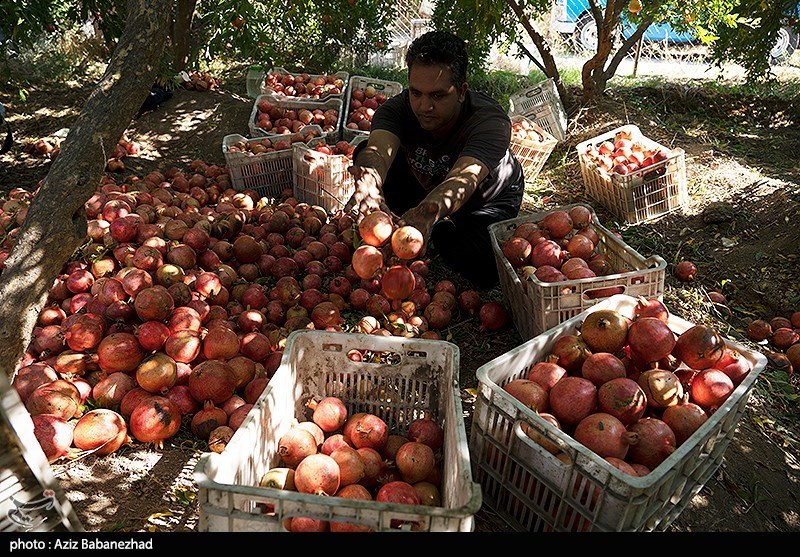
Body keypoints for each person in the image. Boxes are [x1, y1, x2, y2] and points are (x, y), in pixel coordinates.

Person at [343, 30, 525, 289]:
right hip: (427, 179)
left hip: (484, 198)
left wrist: (429, 212)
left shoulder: (490, 122)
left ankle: (437, 228)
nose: (424, 106)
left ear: (461, 92)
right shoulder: (396, 110)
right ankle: (419, 220)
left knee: (483, 267)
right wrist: (369, 181)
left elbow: (463, 180)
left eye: (438, 96)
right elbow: (377, 152)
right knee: (364, 153)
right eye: (416, 93)